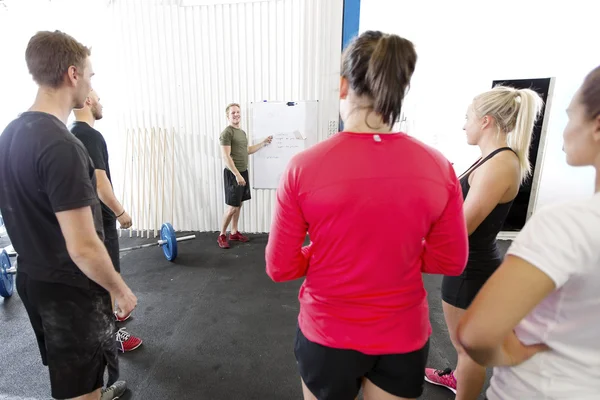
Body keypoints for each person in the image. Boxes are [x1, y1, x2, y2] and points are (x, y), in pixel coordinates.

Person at [265, 30, 469, 400]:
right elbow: (451, 260)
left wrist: (322, 252)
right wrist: (397, 252)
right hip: (402, 337)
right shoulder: (438, 167)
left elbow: (280, 266)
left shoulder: (303, 168)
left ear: (343, 86)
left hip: (328, 336)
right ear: (400, 90)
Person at [0, 30, 135, 400]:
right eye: (90, 75)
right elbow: (83, 246)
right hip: (69, 292)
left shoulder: (9, 135)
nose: (90, 83)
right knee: (79, 388)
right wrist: (118, 288)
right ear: (73, 74)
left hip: (34, 281)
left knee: (70, 376)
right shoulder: (63, 145)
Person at [456, 65, 600, 400]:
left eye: (569, 115)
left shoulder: (566, 225)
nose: (563, 130)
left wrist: (509, 353)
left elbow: (477, 337)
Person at [424, 86, 543, 399]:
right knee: (465, 345)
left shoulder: (499, 165)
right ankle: (458, 378)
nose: (464, 125)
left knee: (468, 350)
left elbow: (461, 226)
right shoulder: (491, 160)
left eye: (468, 118)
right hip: (470, 264)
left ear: (486, 121)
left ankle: (463, 385)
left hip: (470, 269)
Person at [71, 88, 143, 353]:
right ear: (88, 101)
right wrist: (120, 212)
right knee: (108, 277)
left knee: (102, 277)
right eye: (98, 99)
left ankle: (112, 318)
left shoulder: (72, 132)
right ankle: (113, 337)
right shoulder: (89, 134)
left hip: (87, 218)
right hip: (100, 218)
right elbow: (100, 182)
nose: (102, 103)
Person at [218, 103, 272, 249]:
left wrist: (263, 143)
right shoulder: (226, 133)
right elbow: (226, 156)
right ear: (227, 116)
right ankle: (222, 235)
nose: (236, 115)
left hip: (243, 172)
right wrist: (236, 175)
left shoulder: (241, 133)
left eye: (238, 112)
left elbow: (246, 150)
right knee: (232, 207)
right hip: (233, 174)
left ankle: (234, 232)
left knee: (239, 204)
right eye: (233, 113)